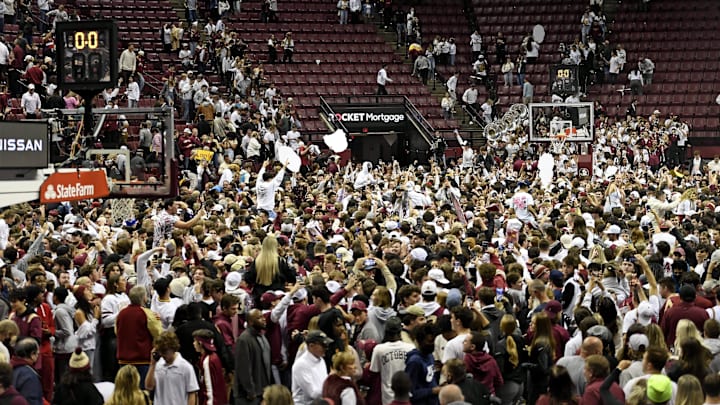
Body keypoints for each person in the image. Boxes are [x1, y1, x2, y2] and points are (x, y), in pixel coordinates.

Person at [115, 285, 163, 388]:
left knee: (126, 391)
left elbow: (117, 331)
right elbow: (158, 333)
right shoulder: (148, 314)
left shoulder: (121, 313)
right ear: (144, 297)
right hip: (142, 359)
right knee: (142, 392)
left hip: (123, 359)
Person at [145, 331, 199, 405]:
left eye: (164, 351)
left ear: (173, 348)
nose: (162, 354)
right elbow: (149, 387)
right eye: (160, 351)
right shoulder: (157, 365)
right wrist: (152, 365)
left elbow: (192, 393)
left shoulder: (186, 367)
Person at [370, 317, 415, 405]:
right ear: (400, 331)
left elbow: (374, 371)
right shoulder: (411, 348)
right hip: (406, 396)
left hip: (388, 397)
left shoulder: (379, 349)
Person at [235, 309, 272, 405]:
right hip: (249, 395)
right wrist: (250, 390)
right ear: (251, 322)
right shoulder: (244, 339)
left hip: (262, 390)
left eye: (263, 317)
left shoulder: (262, 336)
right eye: (259, 318)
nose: (264, 319)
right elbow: (243, 368)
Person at [405, 322, 440, 405]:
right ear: (420, 341)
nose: (432, 344)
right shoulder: (414, 362)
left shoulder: (430, 356)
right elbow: (410, 393)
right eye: (429, 341)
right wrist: (432, 391)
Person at [192, 329, 227, 405]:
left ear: (200, 343)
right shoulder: (213, 357)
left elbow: (210, 389)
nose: (193, 344)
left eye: (195, 341)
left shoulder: (208, 361)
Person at [10, 339, 41, 405]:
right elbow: (31, 400)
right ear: (32, 354)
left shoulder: (8, 369)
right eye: (37, 354)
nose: (38, 356)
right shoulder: (29, 376)